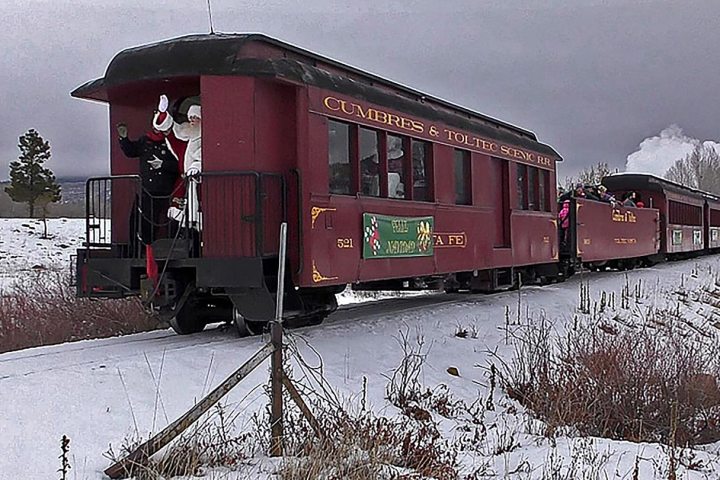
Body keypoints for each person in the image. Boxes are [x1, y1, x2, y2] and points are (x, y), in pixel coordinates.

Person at [117, 120, 179, 247]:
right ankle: (141, 248)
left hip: (165, 189)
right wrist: (123, 139)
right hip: (146, 190)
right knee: (140, 220)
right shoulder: (145, 140)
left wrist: (162, 164)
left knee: (162, 221)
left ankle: (160, 248)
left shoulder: (171, 143)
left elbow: (179, 164)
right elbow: (131, 151)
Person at [154, 95, 202, 229]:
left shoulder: (205, 139)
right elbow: (171, 131)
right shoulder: (186, 136)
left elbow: (203, 158)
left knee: (198, 218)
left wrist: (196, 167)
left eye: (195, 118)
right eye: (190, 117)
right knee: (177, 215)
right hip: (183, 183)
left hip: (198, 184)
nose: (192, 120)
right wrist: (163, 113)